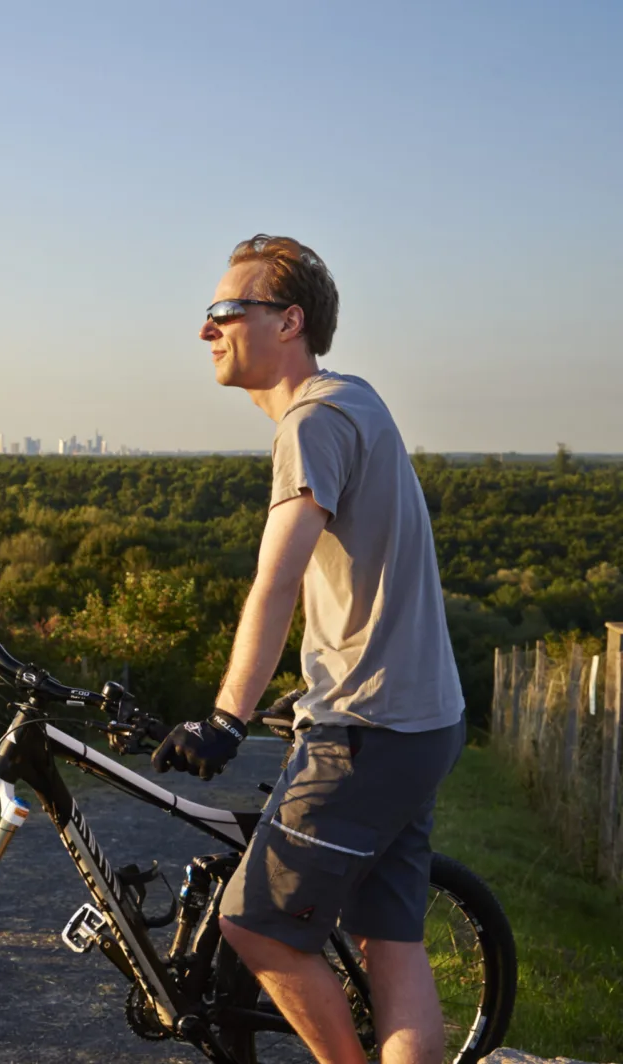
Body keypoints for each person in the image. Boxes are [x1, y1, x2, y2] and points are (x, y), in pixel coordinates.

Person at [150, 234, 467, 1064]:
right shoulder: (356, 399)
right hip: (422, 721)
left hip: (365, 728)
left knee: (256, 927)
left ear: (288, 321)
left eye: (225, 310)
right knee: (389, 944)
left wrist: (226, 718)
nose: (206, 329)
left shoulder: (312, 420)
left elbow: (277, 581)